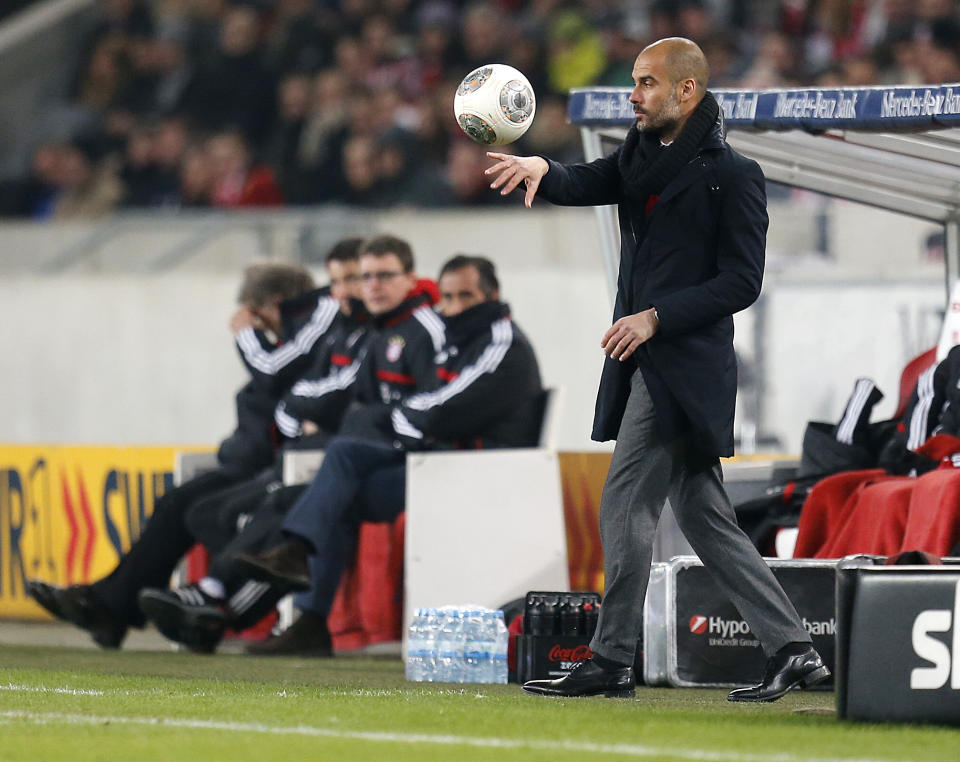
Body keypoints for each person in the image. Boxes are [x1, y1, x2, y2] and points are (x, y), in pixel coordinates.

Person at [485, 37, 828, 703]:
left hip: (683, 368)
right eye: (634, 83)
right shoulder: (638, 159)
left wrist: (656, 317)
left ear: (687, 91)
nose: (633, 95)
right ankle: (794, 649)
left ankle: (611, 658)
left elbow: (740, 282)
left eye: (645, 83)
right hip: (646, 362)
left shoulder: (734, 174)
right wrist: (540, 169)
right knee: (705, 518)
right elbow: (588, 181)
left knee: (624, 500)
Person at [143, 254, 542, 656]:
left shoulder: (496, 340)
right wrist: (392, 419)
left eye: (466, 297)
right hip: (431, 459)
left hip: (473, 469)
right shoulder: (446, 335)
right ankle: (295, 609)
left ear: (493, 295)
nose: (454, 307)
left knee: (319, 488)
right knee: (333, 470)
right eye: (449, 297)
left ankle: (234, 601)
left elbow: (439, 408)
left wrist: (390, 418)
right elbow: (402, 408)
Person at [25, 261, 328, 648]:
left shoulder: (298, 348)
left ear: (272, 304)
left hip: (272, 465)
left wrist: (248, 338)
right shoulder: (291, 349)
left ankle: (143, 609)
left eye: (255, 313)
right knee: (178, 500)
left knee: (196, 507)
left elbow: (270, 387)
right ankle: (110, 604)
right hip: (255, 461)